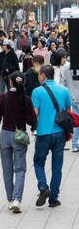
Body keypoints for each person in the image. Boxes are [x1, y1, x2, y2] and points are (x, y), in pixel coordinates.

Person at [0, 72, 37, 213]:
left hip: (5, 135)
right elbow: (32, 121)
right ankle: (17, 199)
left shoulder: (2, 98)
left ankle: (10, 200)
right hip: (19, 136)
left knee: (7, 169)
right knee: (20, 169)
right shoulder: (26, 99)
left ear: (10, 82)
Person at [31, 65, 72, 208]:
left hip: (43, 133)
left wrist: (33, 128)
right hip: (60, 133)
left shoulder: (37, 92)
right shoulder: (64, 90)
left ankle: (43, 187)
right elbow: (68, 113)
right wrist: (70, 131)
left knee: (38, 162)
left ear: (42, 75)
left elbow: (34, 114)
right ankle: (54, 198)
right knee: (57, 166)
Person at [60, 51, 79, 152]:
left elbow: (63, 84)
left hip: (72, 98)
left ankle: (75, 144)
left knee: (75, 122)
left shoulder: (67, 70)